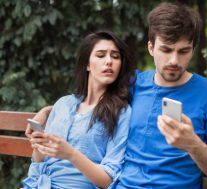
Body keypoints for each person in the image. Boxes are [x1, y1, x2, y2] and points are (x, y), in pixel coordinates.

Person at [26, 2, 207, 189]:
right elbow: (86, 103)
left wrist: (192, 144)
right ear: (151, 48)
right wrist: (46, 112)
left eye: (183, 51)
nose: (174, 60)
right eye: (166, 50)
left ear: (193, 49)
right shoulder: (132, 84)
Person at [22, 30, 134, 189]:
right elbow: (38, 162)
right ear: (87, 64)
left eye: (115, 56)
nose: (109, 61)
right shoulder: (63, 104)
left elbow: (108, 181)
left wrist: (71, 154)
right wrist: (39, 146)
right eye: (101, 55)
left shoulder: (121, 112)